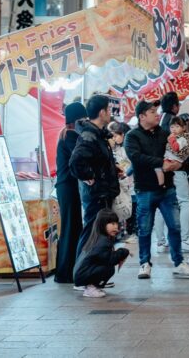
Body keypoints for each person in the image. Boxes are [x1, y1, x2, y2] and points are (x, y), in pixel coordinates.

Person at [124, 100, 189, 279]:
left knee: (174, 226)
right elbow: (136, 158)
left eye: (156, 111)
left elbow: (175, 153)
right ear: (142, 116)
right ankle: (144, 263)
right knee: (144, 228)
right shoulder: (132, 136)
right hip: (145, 189)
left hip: (167, 189)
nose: (157, 114)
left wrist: (177, 164)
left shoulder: (165, 134)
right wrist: (162, 163)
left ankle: (179, 262)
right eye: (152, 112)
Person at [70, 95, 122, 257]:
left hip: (104, 193)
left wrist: (112, 168)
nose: (110, 113)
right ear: (102, 112)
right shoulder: (89, 136)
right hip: (96, 195)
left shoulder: (99, 134)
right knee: (90, 235)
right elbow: (75, 162)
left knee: (100, 236)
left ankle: (93, 277)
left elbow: (97, 160)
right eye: (108, 109)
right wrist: (89, 176)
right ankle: (81, 277)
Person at [54, 102, 86, 284]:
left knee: (73, 227)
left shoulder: (68, 135)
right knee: (69, 228)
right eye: (83, 119)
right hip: (68, 187)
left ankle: (69, 270)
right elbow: (80, 157)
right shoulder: (70, 137)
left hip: (67, 187)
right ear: (75, 121)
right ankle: (64, 273)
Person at [73, 209, 130, 298]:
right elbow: (110, 260)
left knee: (107, 267)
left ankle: (92, 286)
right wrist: (123, 252)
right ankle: (90, 288)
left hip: (81, 274)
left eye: (116, 223)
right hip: (82, 275)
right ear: (102, 225)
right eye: (112, 224)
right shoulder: (103, 241)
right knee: (109, 269)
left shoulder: (97, 238)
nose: (116, 227)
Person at [108, 122, 134, 237]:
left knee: (129, 204)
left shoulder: (127, 148)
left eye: (115, 136)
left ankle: (130, 229)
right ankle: (123, 230)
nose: (113, 138)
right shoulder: (115, 148)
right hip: (121, 180)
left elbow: (131, 163)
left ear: (122, 135)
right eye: (111, 136)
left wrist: (126, 173)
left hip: (128, 179)